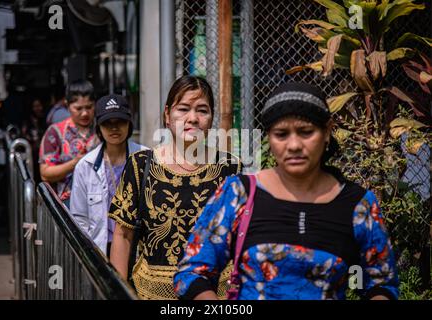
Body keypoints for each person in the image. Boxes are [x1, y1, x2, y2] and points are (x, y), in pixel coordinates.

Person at [174, 82, 399, 300]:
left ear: (327, 131)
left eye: (306, 132)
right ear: (269, 138)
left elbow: (379, 284)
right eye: (281, 134)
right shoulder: (240, 194)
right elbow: (193, 272)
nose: (293, 145)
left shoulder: (357, 205)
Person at [108, 75, 241, 300]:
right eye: (183, 109)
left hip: (214, 296)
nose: (193, 118)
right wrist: (118, 294)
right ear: (167, 115)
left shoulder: (230, 167)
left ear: (211, 118)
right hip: (152, 294)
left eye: (202, 110)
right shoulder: (141, 165)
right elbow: (123, 235)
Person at [70, 94, 147, 255]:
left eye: (120, 121)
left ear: (129, 124)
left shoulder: (146, 158)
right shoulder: (85, 166)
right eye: (107, 123)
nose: (114, 128)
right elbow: (80, 219)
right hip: (101, 251)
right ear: (98, 127)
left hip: (139, 249)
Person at [39, 80, 99, 207]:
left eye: (89, 107)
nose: (84, 113)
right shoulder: (55, 132)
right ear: (67, 105)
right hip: (65, 206)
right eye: (78, 108)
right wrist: (75, 163)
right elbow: (45, 173)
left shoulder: (103, 130)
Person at [22, 98, 46, 181]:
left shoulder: (45, 120)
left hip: (44, 156)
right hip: (33, 157)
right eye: (35, 106)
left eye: (39, 106)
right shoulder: (27, 123)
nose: (38, 108)